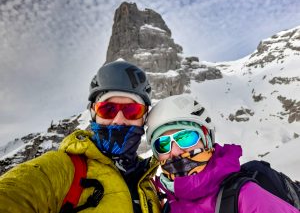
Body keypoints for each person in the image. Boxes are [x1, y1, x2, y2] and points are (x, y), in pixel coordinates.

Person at [0, 61, 161, 213]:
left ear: (144, 117)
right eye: (108, 109)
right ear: (93, 113)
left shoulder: (148, 183)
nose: (118, 120)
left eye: (132, 111)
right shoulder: (64, 169)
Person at [146, 94, 299, 213]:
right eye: (163, 144)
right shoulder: (168, 207)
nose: (176, 151)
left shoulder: (244, 196)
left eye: (186, 138)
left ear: (206, 139)